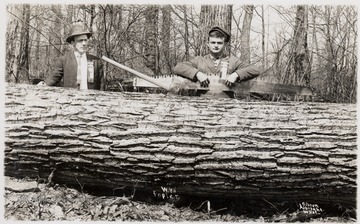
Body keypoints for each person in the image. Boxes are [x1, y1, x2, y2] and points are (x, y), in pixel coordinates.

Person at [173, 26, 260, 89]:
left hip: (226, 105)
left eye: (219, 43)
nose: (216, 46)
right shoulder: (199, 60)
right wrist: (197, 74)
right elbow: (178, 67)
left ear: (225, 44)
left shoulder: (232, 61)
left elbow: (255, 69)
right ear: (208, 44)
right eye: (213, 42)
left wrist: (236, 75)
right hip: (201, 103)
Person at [38, 24, 103, 90]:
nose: (84, 43)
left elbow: (102, 86)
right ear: (72, 43)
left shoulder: (96, 61)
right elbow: (53, 78)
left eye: (85, 40)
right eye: (80, 40)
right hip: (71, 99)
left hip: (92, 99)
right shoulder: (64, 60)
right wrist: (43, 85)